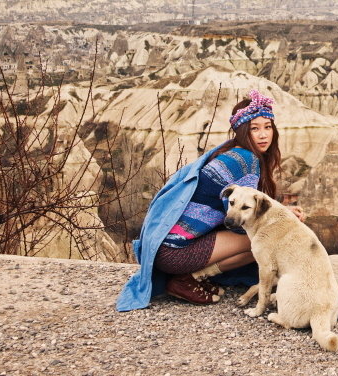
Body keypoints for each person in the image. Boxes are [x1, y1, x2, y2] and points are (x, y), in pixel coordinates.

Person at [117, 90, 301, 311]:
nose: (263, 135)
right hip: (175, 252)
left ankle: (192, 275)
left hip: (165, 249)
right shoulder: (245, 159)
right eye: (254, 128)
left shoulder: (231, 152)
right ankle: (190, 278)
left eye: (267, 127)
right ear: (242, 131)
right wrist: (286, 219)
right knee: (266, 237)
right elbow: (244, 223)